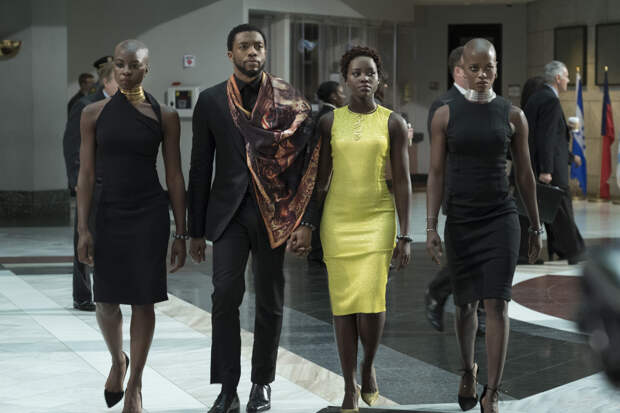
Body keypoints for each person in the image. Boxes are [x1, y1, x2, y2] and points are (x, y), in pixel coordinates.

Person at [187, 24, 319, 413]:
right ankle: (227, 388)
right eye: (244, 46)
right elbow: (199, 166)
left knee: (270, 299)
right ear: (230, 54)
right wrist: (195, 230)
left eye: (258, 46)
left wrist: (304, 220)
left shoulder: (287, 101)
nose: (253, 52)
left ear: (265, 51)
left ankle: (262, 383)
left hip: (274, 213)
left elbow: (306, 163)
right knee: (224, 296)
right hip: (228, 213)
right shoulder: (211, 100)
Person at [294, 46, 413, 412]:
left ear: (379, 79)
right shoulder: (329, 122)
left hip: (377, 219)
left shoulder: (393, 122)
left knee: (372, 301)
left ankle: (368, 364)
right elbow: (319, 180)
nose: (364, 79)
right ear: (345, 79)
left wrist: (405, 233)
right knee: (344, 305)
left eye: (370, 73)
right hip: (338, 220)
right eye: (357, 73)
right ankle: (348, 384)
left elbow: (403, 181)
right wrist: (308, 223)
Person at [426, 39, 542, 413]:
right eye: (474, 68)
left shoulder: (513, 115)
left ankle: (492, 391)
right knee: (465, 305)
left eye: (488, 67)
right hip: (461, 220)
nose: (481, 75)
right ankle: (467, 370)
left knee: (497, 303)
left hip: (501, 219)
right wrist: (430, 226)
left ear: (496, 68)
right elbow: (436, 172)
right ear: (462, 68)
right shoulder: (445, 114)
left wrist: (536, 225)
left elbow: (525, 175)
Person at [77, 39, 187, 412]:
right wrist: (83, 229)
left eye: (133, 65)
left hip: (149, 214)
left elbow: (174, 175)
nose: (125, 71)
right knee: (105, 300)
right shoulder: (93, 113)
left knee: (144, 299)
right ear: (114, 67)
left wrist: (181, 232)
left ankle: (136, 384)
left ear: (146, 68)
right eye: (120, 65)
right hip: (107, 213)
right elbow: (86, 174)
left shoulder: (164, 115)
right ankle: (118, 360)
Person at [63, 61, 118, 311]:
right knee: (84, 236)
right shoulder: (85, 106)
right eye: (118, 79)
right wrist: (77, 180)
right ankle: (83, 295)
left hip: (116, 182)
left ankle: (111, 289)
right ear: (106, 81)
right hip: (91, 182)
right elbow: (72, 145)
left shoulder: (124, 106)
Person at [523, 61, 585, 265]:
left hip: (537, 165)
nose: (568, 80)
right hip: (551, 170)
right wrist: (547, 170)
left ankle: (554, 249)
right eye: (566, 76)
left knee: (543, 212)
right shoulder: (550, 100)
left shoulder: (539, 97)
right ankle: (573, 251)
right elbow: (546, 137)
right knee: (561, 211)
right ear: (558, 78)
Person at [307, 80, 347, 264]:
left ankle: (318, 250)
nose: (343, 96)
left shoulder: (319, 115)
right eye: (340, 92)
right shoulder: (332, 117)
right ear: (333, 96)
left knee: (321, 210)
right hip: (327, 171)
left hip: (317, 170)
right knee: (324, 212)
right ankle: (319, 251)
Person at [515, 76, 546, 264]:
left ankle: (525, 251)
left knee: (524, 212)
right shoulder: (537, 109)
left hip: (522, 167)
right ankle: (525, 252)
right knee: (529, 211)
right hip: (530, 167)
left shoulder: (524, 110)